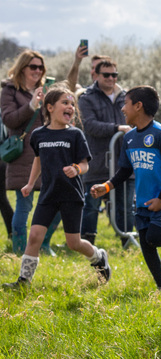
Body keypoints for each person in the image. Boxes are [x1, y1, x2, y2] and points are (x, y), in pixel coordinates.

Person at [4, 87, 110, 289]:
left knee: (74, 243)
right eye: (65, 102)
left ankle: (99, 257)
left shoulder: (76, 135)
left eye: (72, 104)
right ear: (50, 107)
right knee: (34, 236)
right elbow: (38, 160)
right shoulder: (38, 135)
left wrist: (76, 168)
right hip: (48, 194)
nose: (70, 106)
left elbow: (86, 164)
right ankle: (24, 281)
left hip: (71, 195)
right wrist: (29, 183)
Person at [90, 86, 161, 295]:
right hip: (143, 201)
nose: (123, 109)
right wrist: (106, 186)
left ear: (138, 106)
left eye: (125, 103)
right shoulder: (129, 138)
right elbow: (125, 171)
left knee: (155, 237)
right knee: (147, 245)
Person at [1, 50, 60, 255]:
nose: (37, 71)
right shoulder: (10, 90)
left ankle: (42, 245)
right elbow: (9, 120)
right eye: (33, 67)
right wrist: (31, 105)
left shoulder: (46, 89)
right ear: (22, 68)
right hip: (24, 155)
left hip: (49, 153)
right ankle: (19, 251)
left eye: (40, 67)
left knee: (60, 202)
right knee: (24, 205)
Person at [79, 58, 135, 246]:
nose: (111, 78)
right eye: (106, 74)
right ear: (96, 74)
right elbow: (90, 125)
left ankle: (127, 243)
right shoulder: (87, 97)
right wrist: (117, 128)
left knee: (126, 207)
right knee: (91, 206)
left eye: (114, 74)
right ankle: (87, 244)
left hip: (123, 163)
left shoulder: (126, 96)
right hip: (98, 162)